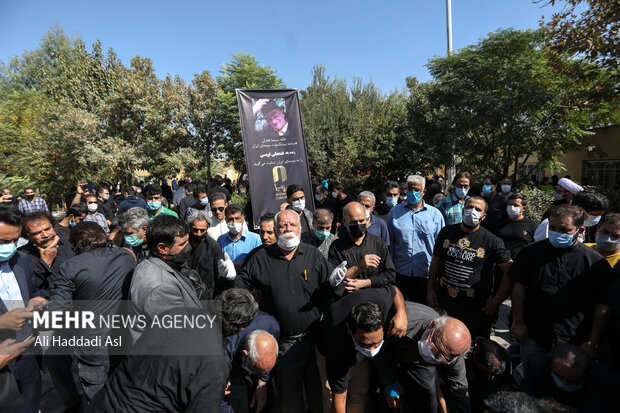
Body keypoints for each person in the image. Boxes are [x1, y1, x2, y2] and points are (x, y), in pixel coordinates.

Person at [236, 209, 331, 413]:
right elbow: (240, 288)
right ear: (277, 230)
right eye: (282, 225)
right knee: (289, 400)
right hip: (282, 345)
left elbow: (330, 289)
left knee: (317, 397)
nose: (288, 228)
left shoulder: (313, 254)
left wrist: (337, 282)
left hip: (314, 342)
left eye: (292, 225)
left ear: (301, 228)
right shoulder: (260, 257)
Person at [510, 204, 614, 367]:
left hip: (575, 342)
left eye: (564, 230)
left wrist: (592, 342)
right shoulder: (531, 253)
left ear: (580, 231)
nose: (556, 233)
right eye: (553, 227)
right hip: (535, 336)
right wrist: (518, 322)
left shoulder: (595, 263)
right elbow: (519, 288)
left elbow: (602, 306)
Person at [49, 221, 136, 403]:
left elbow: (58, 312)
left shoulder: (71, 266)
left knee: (98, 400)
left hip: (93, 348)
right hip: (125, 340)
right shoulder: (126, 257)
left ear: (75, 244)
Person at [427, 196, 513, 339]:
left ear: (483, 216)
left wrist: (496, 302)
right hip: (445, 301)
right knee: (442, 340)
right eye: (469, 207)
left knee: (472, 346)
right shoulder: (446, 232)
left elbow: (510, 271)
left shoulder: (492, 241)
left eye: (477, 209)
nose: (472, 211)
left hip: (475, 307)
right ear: (463, 210)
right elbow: (435, 260)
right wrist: (430, 289)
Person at [320, 287, 407, 413]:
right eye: (365, 344)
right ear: (349, 329)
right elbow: (339, 399)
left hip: (355, 354)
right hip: (330, 352)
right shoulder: (336, 344)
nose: (372, 351)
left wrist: (401, 312)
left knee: (358, 393)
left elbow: (394, 290)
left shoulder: (380, 299)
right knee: (330, 400)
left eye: (376, 344)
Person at [373, 303, 472, 413]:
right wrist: (389, 382)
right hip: (389, 351)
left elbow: (459, 389)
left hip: (418, 361)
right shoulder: (401, 323)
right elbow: (377, 349)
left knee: (428, 397)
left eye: (441, 357)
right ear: (432, 326)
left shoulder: (453, 352)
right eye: (434, 349)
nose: (434, 356)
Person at [129, 215, 205, 343]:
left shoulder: (150, 261)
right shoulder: (161, 287)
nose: (188, 246)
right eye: (182, 244)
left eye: (187, 241)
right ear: (162, 248)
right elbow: (178, 335)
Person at [0, 207, 47, 413]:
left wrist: (37, 300)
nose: (9, 247)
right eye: (2, 241)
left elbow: (35, 290)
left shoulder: (22, 260)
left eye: (14, 240)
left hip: (27, 349)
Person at [388, 174, 445, 303]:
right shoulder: (395, 213)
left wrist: (437, 275)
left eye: (416, 190)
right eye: (409, 189)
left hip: (426, 275)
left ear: (423, 192)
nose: (412, 192)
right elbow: (390, 244)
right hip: (401, 274)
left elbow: (440, 248)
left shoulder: (435, 215)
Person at [224, 288, 279, 413]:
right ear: (245, 355)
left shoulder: (272, 325)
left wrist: (262, 383)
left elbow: (265, 364)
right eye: (258, 371)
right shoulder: (227, 346)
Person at [519, 343, 618, 412]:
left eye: (572, 382)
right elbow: (525, 399)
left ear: (588, 374)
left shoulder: (608, 383)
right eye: (558, 376)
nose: (563, 383)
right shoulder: (537, 366)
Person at [329, 202, 396, 294]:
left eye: (361, 221)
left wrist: (367, 282)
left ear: (367, 220)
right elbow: (333, 280)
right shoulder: (336, 247)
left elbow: (390, 274)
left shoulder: (378, 243)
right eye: (353, 222)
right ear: (344, 222)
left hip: (374, 296)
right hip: (348, 298)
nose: (358, 225)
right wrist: (359, 267)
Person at [18, 211, 74, 297]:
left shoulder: (70, 242)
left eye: (48, 229)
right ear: (28, 236)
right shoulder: (22, 256)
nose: (45, 235)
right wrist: (45, 263)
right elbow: (26, 288)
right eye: (37, 233)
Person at [535, 188, 609, 242]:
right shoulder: (550, 224)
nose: (597, 218)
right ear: (581, 210)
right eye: (595, 214)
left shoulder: (582, 227)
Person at [466, 338, 513, 413]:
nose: (492, 377)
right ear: (475, 357)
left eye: (495, 374)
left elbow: (506, 383)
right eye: (488, 373)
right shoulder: (464, 360)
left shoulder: (504, 357)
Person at [218, 204, 261, 270]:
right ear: (226, 220)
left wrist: (245, 264)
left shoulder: (255, 239)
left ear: (243, 219)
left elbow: (260, 261)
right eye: (231, 219)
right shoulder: (221, 240)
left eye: (237, 218)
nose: (234, 222)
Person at [497, 193, 537, 260]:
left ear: (523, 208)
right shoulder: (499, 223)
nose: (512, 207)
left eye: (516, 205)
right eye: (510, 205)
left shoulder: (531, 225)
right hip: (501, 264)